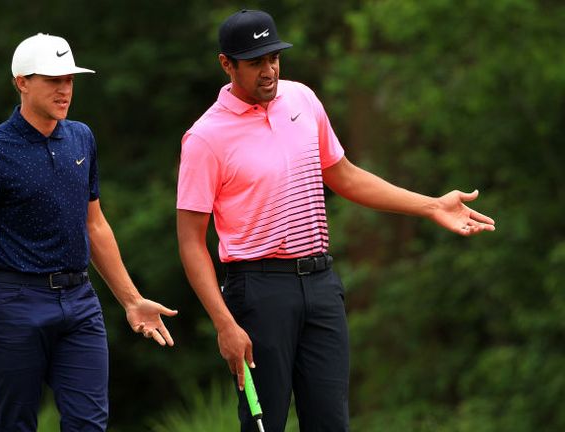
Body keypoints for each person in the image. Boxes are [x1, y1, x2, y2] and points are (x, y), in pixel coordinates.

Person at [176, 9, 495, 432]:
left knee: (331, 423)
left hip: (322, 285)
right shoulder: (205, 138)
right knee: (263, 424)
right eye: (255, 62)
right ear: (226, 64)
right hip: (258, 292)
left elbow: (342, 175)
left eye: (273, 57)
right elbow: (190, 242)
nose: (269, 70)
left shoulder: (302, 99)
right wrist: (224, 324)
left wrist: (431, 205)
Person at [0, 33, 177, 432]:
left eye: (69, 79)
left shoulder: (81, 137)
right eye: (53, 80)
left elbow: (94, 225)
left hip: (80, 302)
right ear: (22, 82)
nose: (65, 90)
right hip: (14, 304)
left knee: (89, 424)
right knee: (16, 425)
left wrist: (131, 301)